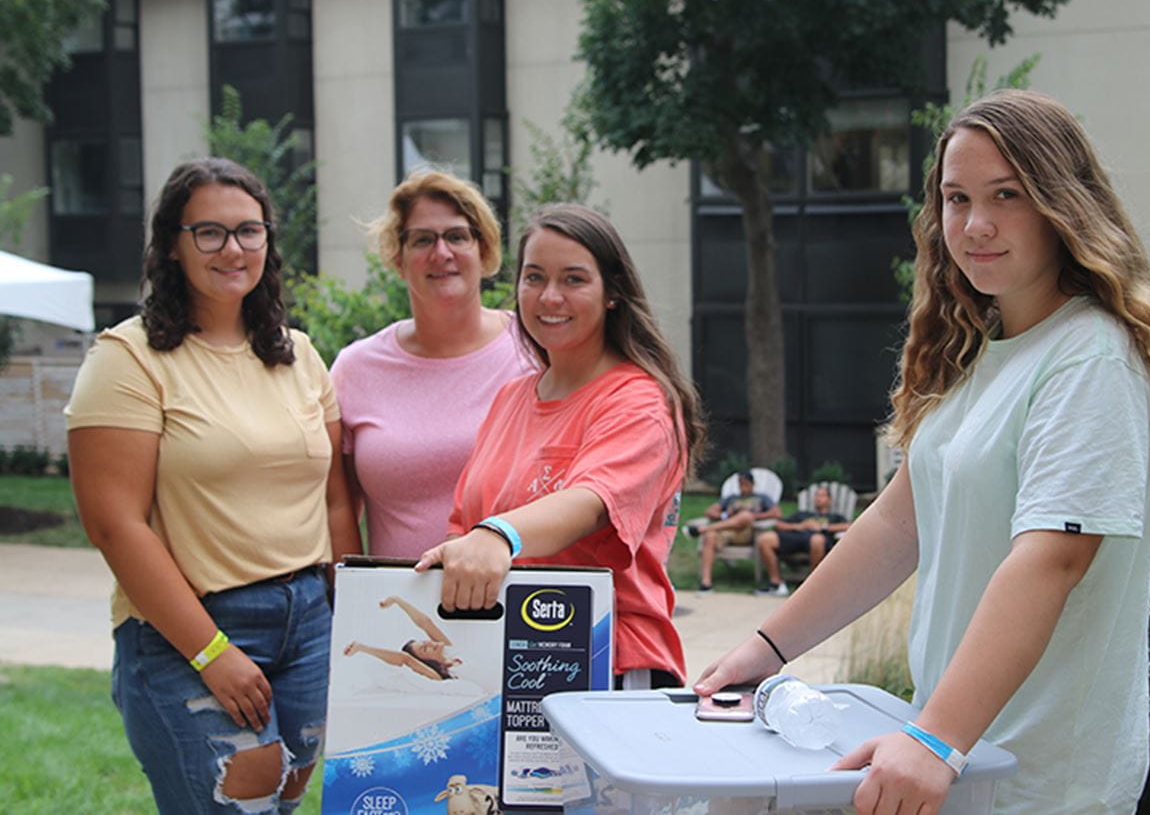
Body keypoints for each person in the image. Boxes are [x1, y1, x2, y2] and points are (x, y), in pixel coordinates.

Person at [695, 89, 1150, 814]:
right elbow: (895, 526)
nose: (975, 224)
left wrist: (936, 737)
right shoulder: (984, 354)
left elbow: (1052, 558)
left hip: (1037, 784)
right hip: (961, 762)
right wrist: (766, 647)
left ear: (1064, 204)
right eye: (955, 197)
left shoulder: (1090, 358)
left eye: (1008, 195)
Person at [65, 158, 358, 813]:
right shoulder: (128, 356)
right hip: (191, 627)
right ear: (172, 242)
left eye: (249, 231)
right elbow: (115, 524)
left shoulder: (298, 353)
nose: (233, 249)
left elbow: (337, 498)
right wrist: (211, 650)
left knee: (278, 804)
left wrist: (350, 612)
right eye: (210, 232)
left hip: (309, 620)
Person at [415, 204, 707, 690]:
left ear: (612, 292)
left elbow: (592, 502)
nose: (550, 297)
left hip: (607, 663)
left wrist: (496, 536)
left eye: (574, 279)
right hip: (508, 659)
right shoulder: (512, 397)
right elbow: (463, 525)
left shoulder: (639, 402)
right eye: (534, 278)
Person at [330, 171, 535, 559]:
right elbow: (338, 508)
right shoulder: (356, 369)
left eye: (457, 236)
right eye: (423, 239)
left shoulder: (533, 351)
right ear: (398, 258)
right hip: (397, 607)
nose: (441, 253)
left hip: (522, 606)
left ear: (484, 249)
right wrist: (347, 596)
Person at [753, 485, 850, 597]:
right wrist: (799, 526)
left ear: (830, 500)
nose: (818, 498)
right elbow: (778, 524)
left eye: (822, 496)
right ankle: (776, 584)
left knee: (817, 540)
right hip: (796, 537)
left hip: (818, 541)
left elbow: (849, 526)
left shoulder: (835, 517)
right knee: (765, 539)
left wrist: (823, 527)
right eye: (816, 495)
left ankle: (814, 585)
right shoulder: (802, 514)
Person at [694, 471, 781, 594]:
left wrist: (754, 516)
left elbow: (777, 513)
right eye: (740, 483)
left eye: (745, 483)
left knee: (745, 516)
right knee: (710, 536)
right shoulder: (731, 498)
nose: (742, 486)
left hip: (747, 532)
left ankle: (704, 529)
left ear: (753, 484)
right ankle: (706, 584)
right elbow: (709, 512)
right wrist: (725, 515)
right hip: (726, 531)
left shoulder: (762, 498)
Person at [343, 595, 463, 680]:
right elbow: (405, 659)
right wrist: (362, 648)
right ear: (429, 662)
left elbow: (425, 623)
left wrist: (397, 600)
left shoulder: (450, 652)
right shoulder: (438, 677)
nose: (430, 643)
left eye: (425, 642)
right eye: (425, 649)